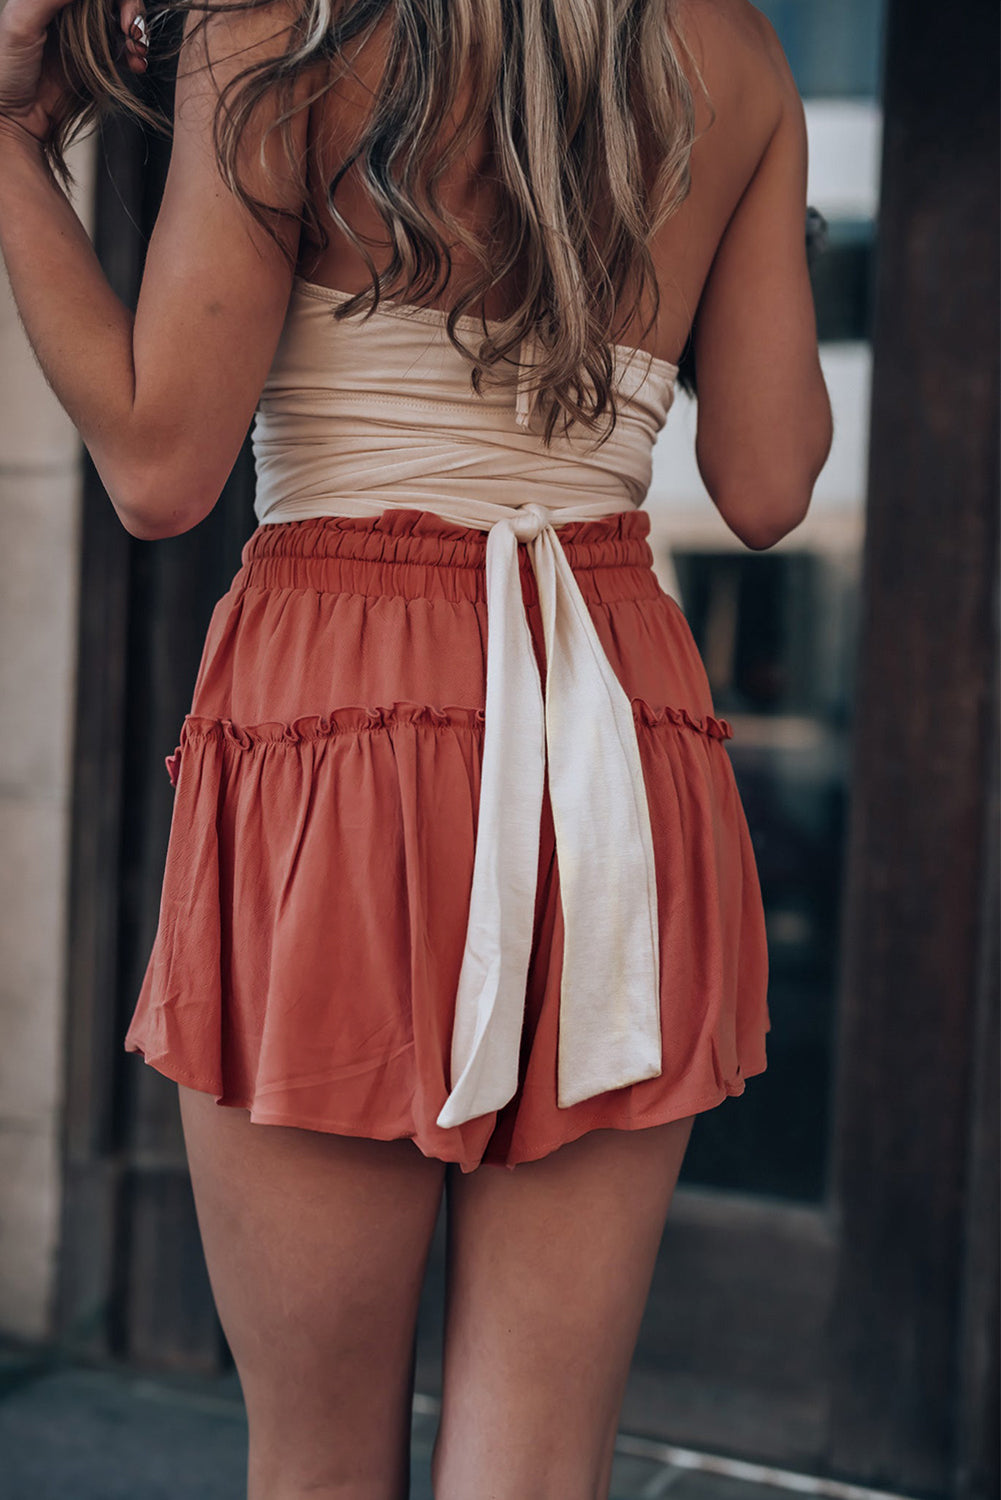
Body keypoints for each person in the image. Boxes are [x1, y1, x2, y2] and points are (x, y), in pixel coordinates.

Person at [0, 0, 832, 1494]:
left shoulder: (282, 36)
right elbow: (767, 481)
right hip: (611, 712)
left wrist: (2, 136)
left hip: (343, 712)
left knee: (317, 1461)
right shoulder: (737, 52)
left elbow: (158, 465)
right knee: (536, 1461)